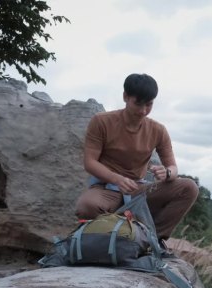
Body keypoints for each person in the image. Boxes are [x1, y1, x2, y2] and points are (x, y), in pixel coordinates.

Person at [75, 73, 199, 253]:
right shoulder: (101, 122)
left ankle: (150, 239)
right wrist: (117, 179)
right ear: (125, 97)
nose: (143, 110)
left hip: (138, 190)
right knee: (86, 206)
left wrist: (168, 173)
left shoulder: (158, 130)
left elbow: (173, 167)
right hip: (106, 189)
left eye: (149, 105)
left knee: (189, 188)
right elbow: (90, 162)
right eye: (138, 103)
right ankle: (118, 233)